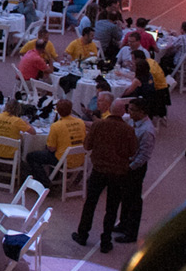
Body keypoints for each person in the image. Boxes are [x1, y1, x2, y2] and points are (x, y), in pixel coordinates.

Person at [72, 113, 139, 254]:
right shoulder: (128, 130)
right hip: (118, 173)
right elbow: (133, 151)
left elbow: (87, 145)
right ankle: (106, 241)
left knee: (90, 203)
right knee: (112, 208)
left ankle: (83, 234)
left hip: (99, 170)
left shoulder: (98, 125)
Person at [115, 98, 157, 243]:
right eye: (129, 108)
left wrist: (129, 168)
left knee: (133, 200)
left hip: (135, 168)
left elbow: (144, 155)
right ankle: (123, 224)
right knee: (125, 197)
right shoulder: (131, 122)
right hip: (127, 163)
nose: (129, 112)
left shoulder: (147, 131)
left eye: (132, 110)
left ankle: (131, 233)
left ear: (142, 112)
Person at [28, 100, 84, 186]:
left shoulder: (56, 126)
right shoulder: (80, 122)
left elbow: (51, 148)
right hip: (79, 158)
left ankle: (45, 184)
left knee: (31, 156)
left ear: (57, 110)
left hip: (64, 160)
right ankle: (54, 177)